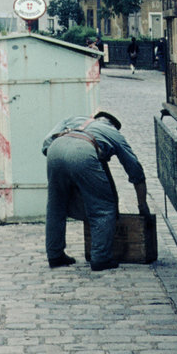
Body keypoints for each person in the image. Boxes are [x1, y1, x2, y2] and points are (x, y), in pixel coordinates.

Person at [41, 110, 149, 271]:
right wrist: (142, 205)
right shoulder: (114, 134)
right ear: (113, 126)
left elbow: (45, 144)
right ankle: (101, 258)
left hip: (55, 150)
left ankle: (55, 255)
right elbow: (135, 171)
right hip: (83, 152)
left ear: (94, 118)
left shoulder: (73, 117)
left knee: (56, 206)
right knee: (103, 207)